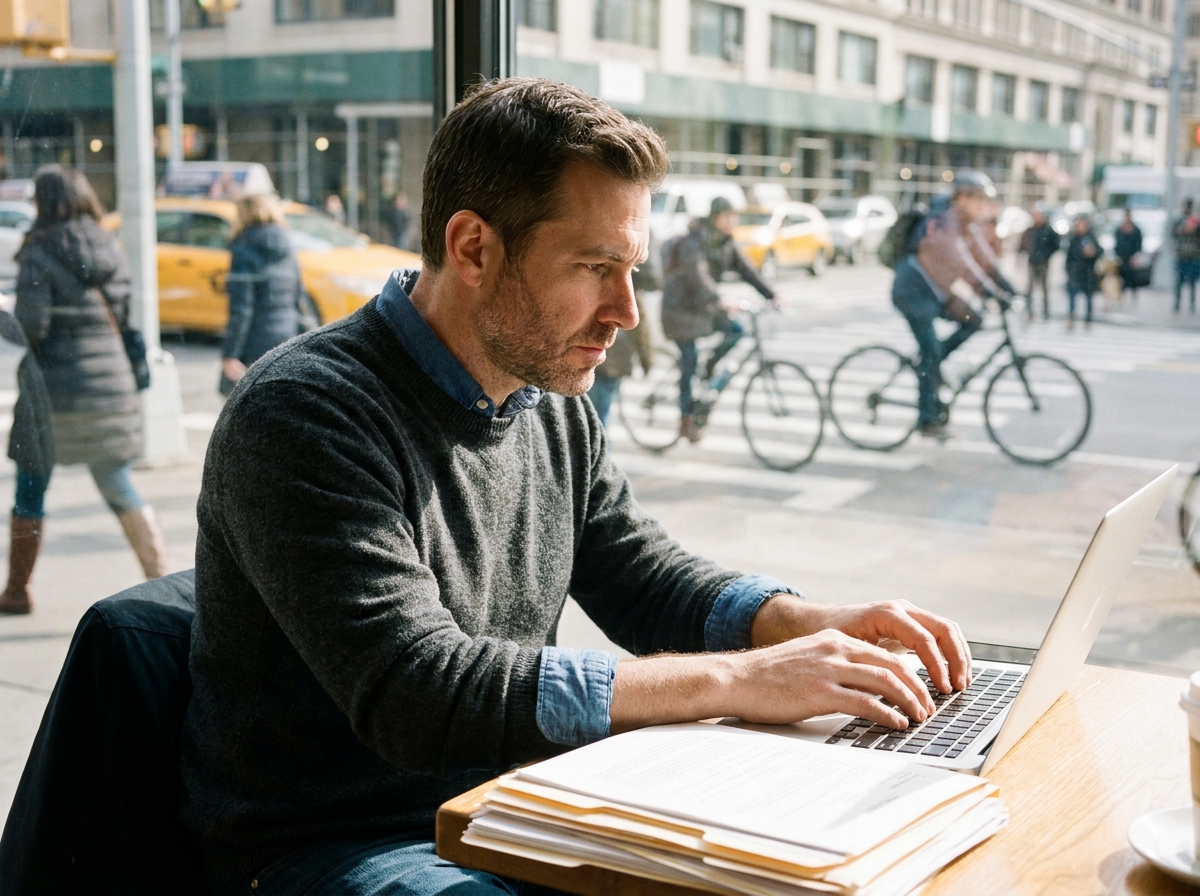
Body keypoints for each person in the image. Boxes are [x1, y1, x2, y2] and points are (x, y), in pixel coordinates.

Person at [182, 78, 972, 895]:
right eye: (596, 268)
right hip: (335, 844)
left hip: (507, 807)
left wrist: (804, 624)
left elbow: (640, 577)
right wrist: (742, 678)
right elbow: (418, 691)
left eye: (631, 269)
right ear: (473, 248)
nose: (627, 311)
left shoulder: (548, 401)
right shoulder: (305, 411)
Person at [0, 166, 167, 615]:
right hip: (110, 386)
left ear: (44, 201)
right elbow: (125, 315)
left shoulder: (39, 250)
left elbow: (32, 327)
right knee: (117, 482)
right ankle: (163, 582)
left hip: (53, 397)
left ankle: (17, 590)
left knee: (31, 486)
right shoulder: (108, 244)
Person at [891, 171, 1008, 440]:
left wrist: (1010, 291)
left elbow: (986, 262)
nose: (983, 206)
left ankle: (932, 368)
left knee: (975, 320)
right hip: (913, 292)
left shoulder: (968, 225)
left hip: (937, 293)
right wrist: (990, 293)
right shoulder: (943, 221)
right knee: (930, 351)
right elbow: (963, 264)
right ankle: (927, 420)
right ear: (962, 198)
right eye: (978, 200)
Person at [661, 196, 775, 443]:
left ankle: (710, 365)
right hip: (680, 311)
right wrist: (719, 298)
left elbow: (747, 270)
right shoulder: (695, 240)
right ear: (716, 217)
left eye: (735, 217)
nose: (733, 221)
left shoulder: (726, 242)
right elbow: (697, 274)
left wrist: (772, 295)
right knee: (689, 361)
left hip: (704, 309)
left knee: (737, 330)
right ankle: (685, 419)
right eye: (729, 216)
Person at [220, 194, 302, 394]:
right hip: (287, 333)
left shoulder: (244, 248)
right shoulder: (287, 244)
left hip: (254, 341)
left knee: (245, 401)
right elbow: (298, 295)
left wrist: (230, 353)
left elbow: (242, 308)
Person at [586, 262, 655, 428]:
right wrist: (646, 361)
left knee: (595, 416)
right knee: (600, 415)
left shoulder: (603, 289)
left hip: (602, 363)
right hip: (612, 363)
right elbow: (641, 334)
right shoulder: (631, 296)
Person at [1018, 203, 1059, 320]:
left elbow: (1055, 245)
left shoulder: (1048, 231)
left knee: (1044, 288)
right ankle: (1030, 312)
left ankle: (1045, 312)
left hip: (1043, 262)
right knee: (1030, 288)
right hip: (1032, 261)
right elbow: (1023, 243)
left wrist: (1046, 255)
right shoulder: (1030, 230)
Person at [1064, 215, 1100, 329]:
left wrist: (1093, 252)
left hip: (1088, 273)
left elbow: (1099, 252)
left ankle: (1088, 319)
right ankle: (1071, 318)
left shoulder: (1091, 238)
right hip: (1075, 272)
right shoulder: (1073, 239)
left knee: (1088, 298)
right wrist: (1068, 270)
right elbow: (1069, 256)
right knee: (1072, 297)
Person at [1173, 198, 1200, 313]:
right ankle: (1177, 303)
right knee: (1179, 281)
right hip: (1181, 255)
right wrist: (1183, 230)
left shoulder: (1197, 221)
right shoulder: (1179, 221)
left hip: (1194, 255)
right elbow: (1174, 234)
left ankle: (1192, 304)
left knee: (1192, 281)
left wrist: (1194, 231)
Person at [1113, 209, 1143, 304]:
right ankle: (1121, 295)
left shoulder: (1136, 230)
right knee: (1122, 277)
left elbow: (1139, 244)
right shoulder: (1119, 229)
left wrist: (1136, 255)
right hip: (1122, 257)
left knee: (1133, 277)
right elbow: (1117, 244)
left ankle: (1134, 295)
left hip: (1132, 257)